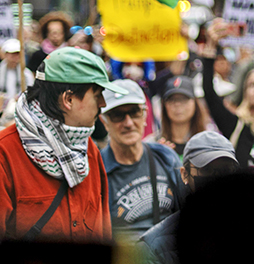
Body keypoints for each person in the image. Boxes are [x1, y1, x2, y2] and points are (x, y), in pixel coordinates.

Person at [0, 47, 125, 241]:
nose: (103, 104)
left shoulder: (89, 151)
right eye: (97, 95)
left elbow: (103, 232)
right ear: (68, 99)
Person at [139, 131, 240, 264]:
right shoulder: (155, 246)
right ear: (184, 174)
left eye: (225, 170)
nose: (216, 178)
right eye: (206, 169)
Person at [100, 79, 182, 238]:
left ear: (145, 115)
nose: (128, 123)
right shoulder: (98, 170)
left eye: (134, 112)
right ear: (104, 122)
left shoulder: (165, 157)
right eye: (117, 115)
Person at [202, 20, 254, 168]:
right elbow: (209, 94)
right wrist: (210, 46)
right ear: (245, 93)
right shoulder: (236, 126)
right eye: (251, 85)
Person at [150, 75, 208, 160]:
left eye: (183, 99)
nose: (177, 104)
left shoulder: (208, 143)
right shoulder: (153, 145)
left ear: (195, 102)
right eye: (172, 99)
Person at [0, 39, 35, 109]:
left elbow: (31, 91)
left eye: (18, 55)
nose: (15, 58)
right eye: (12, 55)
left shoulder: (26, 73)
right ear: (5, 55)